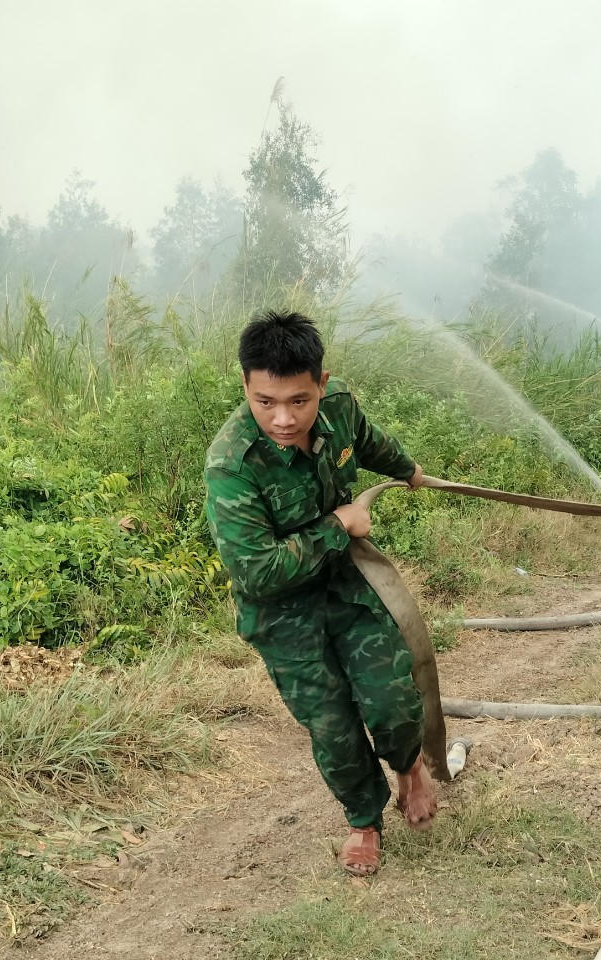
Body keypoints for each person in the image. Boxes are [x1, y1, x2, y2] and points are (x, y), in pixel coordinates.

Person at [204, 310, 435, 879]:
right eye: (265, 402)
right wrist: (339, 523)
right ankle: (364, 822)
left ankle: (410, 766)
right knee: (332, 725)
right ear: (245, 386)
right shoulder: (231, 463)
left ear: (322, 385)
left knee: (392, 699)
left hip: (348, 587)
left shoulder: (339, 407)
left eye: (299, 401)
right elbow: (257, 572)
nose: (283, 419)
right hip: (282, 615)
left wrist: (407, 469)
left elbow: (367, 440)